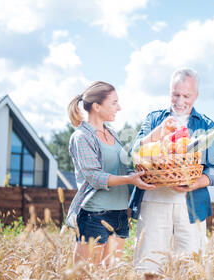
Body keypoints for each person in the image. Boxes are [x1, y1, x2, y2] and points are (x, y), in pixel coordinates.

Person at [129, 68, 214, 276]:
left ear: (196, 95)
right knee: (148, 266)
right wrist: (158, 132)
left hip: (191, 203)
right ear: (169, 92)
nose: (180, 101)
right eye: (175, 94)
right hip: (155, 199)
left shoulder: (206, 125)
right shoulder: (154, 119)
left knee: (190, 270)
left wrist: (196, 183)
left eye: (186, 96)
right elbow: (134, 153)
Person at [65, 81, 155, 268]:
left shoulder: (112, 133)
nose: (119, 107)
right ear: (97, 106)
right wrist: (129, 179)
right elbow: (94, 177)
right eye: (114, 103)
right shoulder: (81, 137)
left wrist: (141, 174)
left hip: (120, 215)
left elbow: (123, 167)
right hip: (94, 215)